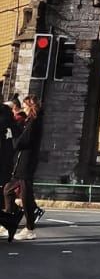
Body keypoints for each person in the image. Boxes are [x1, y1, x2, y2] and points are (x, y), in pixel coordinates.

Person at [2, 96, 43, 241]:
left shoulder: (34, 123)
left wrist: (12, 137)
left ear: (31, 107)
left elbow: (22, 141)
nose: (23, 109)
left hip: (27, 162)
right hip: (21, 163)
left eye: (26, 106)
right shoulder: (29, 122)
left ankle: (30, 228)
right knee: (7, 190)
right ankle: (8, 222)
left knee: (26, 196)